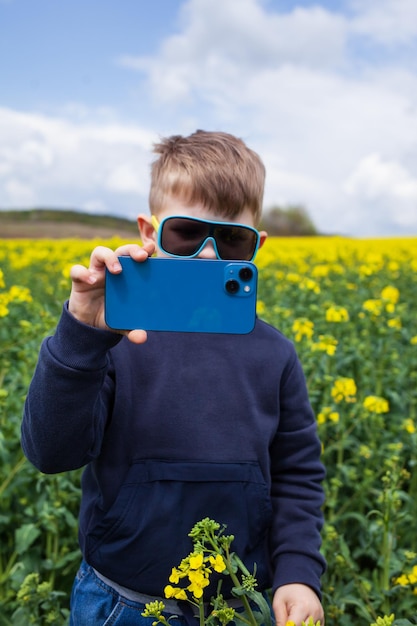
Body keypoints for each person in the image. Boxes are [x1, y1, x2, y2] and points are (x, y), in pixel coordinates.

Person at [21, 130, 326, 626]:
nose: (208, 255)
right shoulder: (115, 338)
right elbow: (50, 453)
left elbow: (297, 475)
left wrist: (297, 571)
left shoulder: (275, 353)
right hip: (125, 601)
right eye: (186, 234)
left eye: (231, 239)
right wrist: (81, 333)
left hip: (238, 604)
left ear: (257, 247)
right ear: (149, 232)